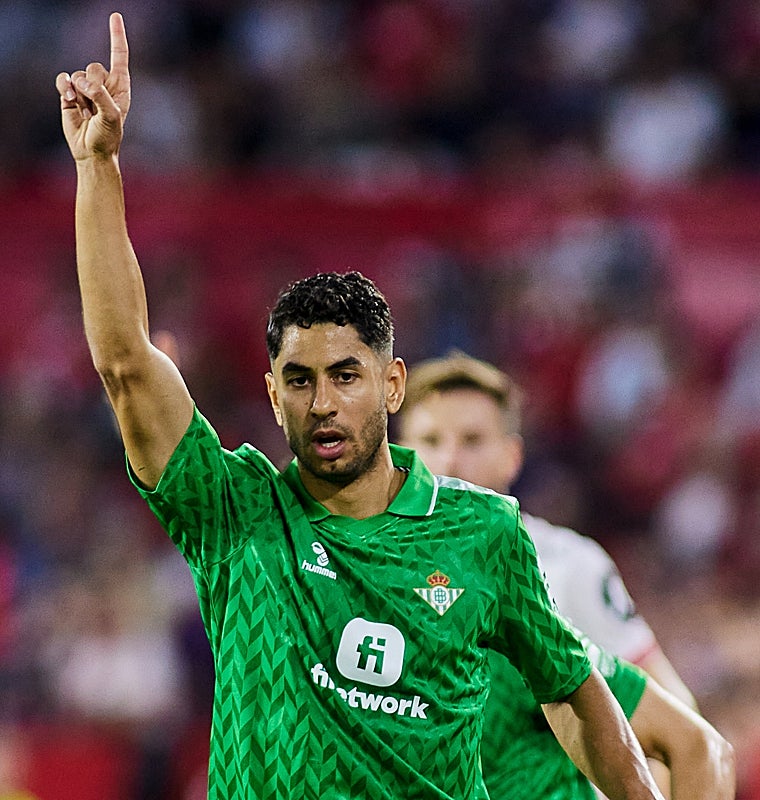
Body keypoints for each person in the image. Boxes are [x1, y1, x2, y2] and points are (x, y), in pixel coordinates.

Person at [55, 13, 670, 800]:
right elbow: (125, 365)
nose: (322, 403)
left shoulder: (484, 534)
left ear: (393, 386)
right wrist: (98, 167)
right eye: (300, 381)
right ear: (273, 395)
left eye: (347, 375)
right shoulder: (235, 513)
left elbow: (580, 701)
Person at [397, 350, 734, 798]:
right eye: (431, 439)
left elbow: (674, 718)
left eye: (473, 440)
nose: (450, 460)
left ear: (511, 457)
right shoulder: (366, 569)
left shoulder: (567, 564)